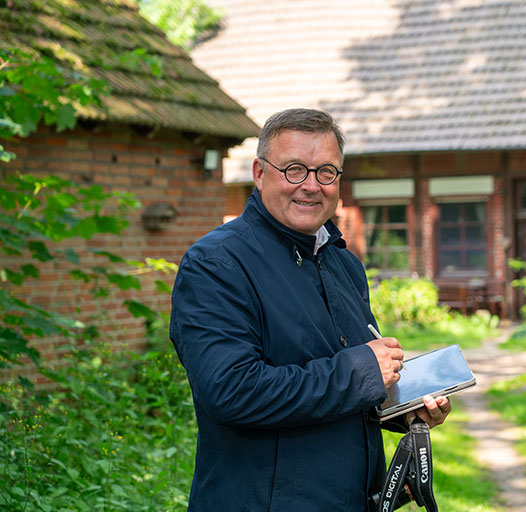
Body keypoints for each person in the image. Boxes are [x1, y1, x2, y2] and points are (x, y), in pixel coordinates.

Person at [169, 108, 451, 511]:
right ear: (259, 173)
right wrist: (361, 372)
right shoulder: (216, 263)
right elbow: (230, 391)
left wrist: (400, 408)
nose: (311, 186)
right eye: (295, 169)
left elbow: (339, 392)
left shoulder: (344, 264)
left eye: (326, 172)